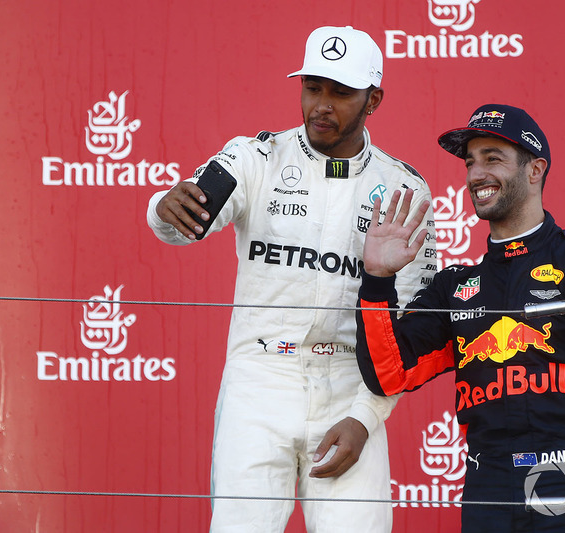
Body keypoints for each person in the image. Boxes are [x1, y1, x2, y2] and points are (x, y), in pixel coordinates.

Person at [146, 26, 436, 533]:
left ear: (374, 99)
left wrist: (366, 417)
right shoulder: (252, 158)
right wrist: (163, 209)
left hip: (352, 388)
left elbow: (408, 328)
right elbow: (184, 221)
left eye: (341, 92)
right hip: (259, 381)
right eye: (312, 86)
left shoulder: (405, 188)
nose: (321, 104)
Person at [354, 104, 565, 532]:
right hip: (486, 491)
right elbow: (388, 374)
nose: (476, 174)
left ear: (535, 170)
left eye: (493, 158)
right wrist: (378, 281)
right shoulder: (454, 287)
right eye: (471, 162)